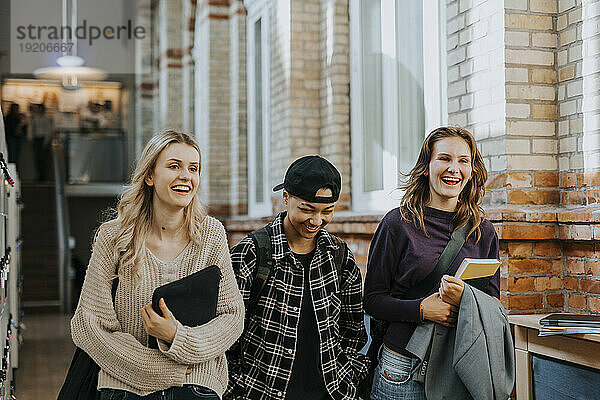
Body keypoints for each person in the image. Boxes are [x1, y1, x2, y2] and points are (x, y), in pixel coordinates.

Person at [71, 130, 244, 399]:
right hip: (125, 384)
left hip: (196, 385)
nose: (186, 176)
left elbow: (232, 317)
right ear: (150, 176)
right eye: (174, 166)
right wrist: (161, 369)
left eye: (194, 168)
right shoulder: (114, 237)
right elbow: (89, 326)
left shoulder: (211, 234)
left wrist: (178, 337)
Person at [363, 126, 500, 400]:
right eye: (444, 158)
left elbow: (494, 304)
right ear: (427, 167)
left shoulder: (482, 231)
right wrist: (422, 309)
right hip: (401, 369)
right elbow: (372, 300)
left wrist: (466, 298)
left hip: (457, 367)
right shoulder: (397, 224)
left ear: (472, 172)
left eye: (463, 161)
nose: (454, 168)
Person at [226, 155, 369, 400]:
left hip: (330, 393)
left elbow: (353, 330)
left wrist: (347, 377)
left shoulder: (340, 256)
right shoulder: (251, 252)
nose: (316, 221)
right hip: (260, 393)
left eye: (328, 211)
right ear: (286, 198)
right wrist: (236, 390)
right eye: (307, 209)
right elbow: (226, 334)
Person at [29, 103, 53, 181]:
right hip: (36, 139)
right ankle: (39, 176)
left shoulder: (46, 118)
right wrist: (31, 138)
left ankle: (43, 177)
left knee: (43, 159)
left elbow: (48, 131)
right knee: (37, 159)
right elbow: (32, 129)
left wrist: (46, 142)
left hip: (43, 139)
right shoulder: (35, 118)